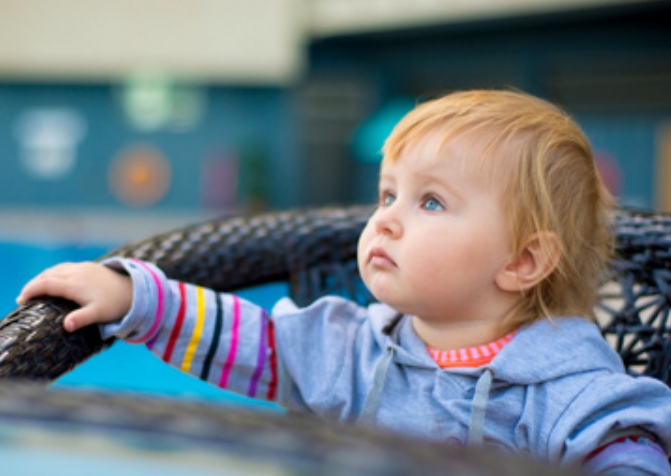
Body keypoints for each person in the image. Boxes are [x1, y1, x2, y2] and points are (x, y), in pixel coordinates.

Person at [17, 90, 671, 474]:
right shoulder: (353, 345)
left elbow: (629, 454)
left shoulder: (568, 392)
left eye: (431, 202)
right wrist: (138, 300)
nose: (383, 220)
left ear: (522, 262)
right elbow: (251, 340)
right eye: (387, 194)